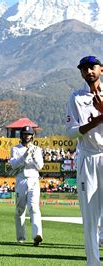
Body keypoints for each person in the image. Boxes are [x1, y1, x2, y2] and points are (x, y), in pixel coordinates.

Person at [65, 55, 103, 265]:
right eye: (84, 69)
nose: (89, 71)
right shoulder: (76, 97)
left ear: (101, 70)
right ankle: (93, 262)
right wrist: (97, 120)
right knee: (89, 214)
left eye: (92, 67)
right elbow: (71, 133)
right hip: (88, 158)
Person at [9, 126, 44, 246]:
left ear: (32, 136)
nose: (27, 136)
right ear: (21, 135)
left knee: (34, 208)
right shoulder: (15, 149)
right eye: (25, 134)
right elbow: (13, 165)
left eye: (29, 134)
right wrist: (24, 156)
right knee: (20, 210)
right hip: (21, 180)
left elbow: (40, 166)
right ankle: (21, 237)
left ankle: (37, 235)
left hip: (34, 180)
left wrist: (33, 156)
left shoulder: (37, 149)